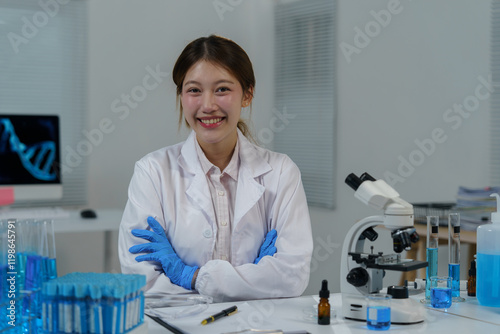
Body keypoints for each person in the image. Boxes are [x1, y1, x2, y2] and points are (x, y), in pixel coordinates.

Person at [118, 35, 313, 302]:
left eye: (222, 89)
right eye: (194, 90)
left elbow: (292, 276)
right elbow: (141, 282)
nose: (208, 105)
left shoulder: (281, 172)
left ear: (247, 94)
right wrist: (252, 279)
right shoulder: (152, 172)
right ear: (181, 97)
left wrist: (192, 277)